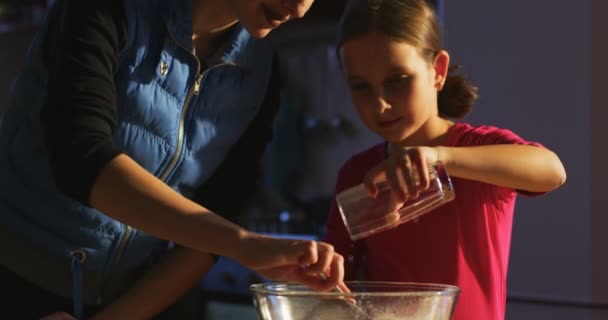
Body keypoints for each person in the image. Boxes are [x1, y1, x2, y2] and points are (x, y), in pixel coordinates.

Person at [0, 0, 347, 319]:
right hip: (17, 283)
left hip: (139, 300)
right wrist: (243, 244)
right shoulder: (109, 8)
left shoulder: (261, 71)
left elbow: (218, 214)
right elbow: (82, 160)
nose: (301, 8)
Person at [323, 0, 567, 320]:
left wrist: (440, 157)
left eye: (397, 80)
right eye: (361, 87)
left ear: (437, 71)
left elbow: (552, 170)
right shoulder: (357, 174)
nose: (379, 104)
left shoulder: (475, 149)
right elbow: (338, 285)